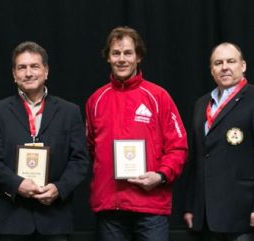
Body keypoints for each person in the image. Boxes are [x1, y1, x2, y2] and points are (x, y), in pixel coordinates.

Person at [0, 41, 90, 241]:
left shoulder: (69, 111)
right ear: (14, 75)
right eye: (22, 67)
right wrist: (17, 184)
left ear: (46, 71)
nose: (28, 73)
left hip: (54, 218)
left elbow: (80, 161)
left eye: (34, 66)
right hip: (10, 219)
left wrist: (59, 188)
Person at [85, 26, 188, 241]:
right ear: (108, 58)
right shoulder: (96, 100)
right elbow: (91, 149)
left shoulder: (159, 96)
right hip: (109, 207)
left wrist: (160, 176)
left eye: (128, 53)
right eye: (116, 53)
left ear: (138, 56)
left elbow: (178, 146)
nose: (121, 59)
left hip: (150, 206)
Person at [182, 42, 254, 241]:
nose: (224, 67)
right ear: (212, 70)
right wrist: (190, 206)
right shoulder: (202, 103)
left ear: (243, 65)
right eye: (218, 63)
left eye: (231, 61)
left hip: (244, 213)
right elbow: (195, 159)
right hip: (207, 214)